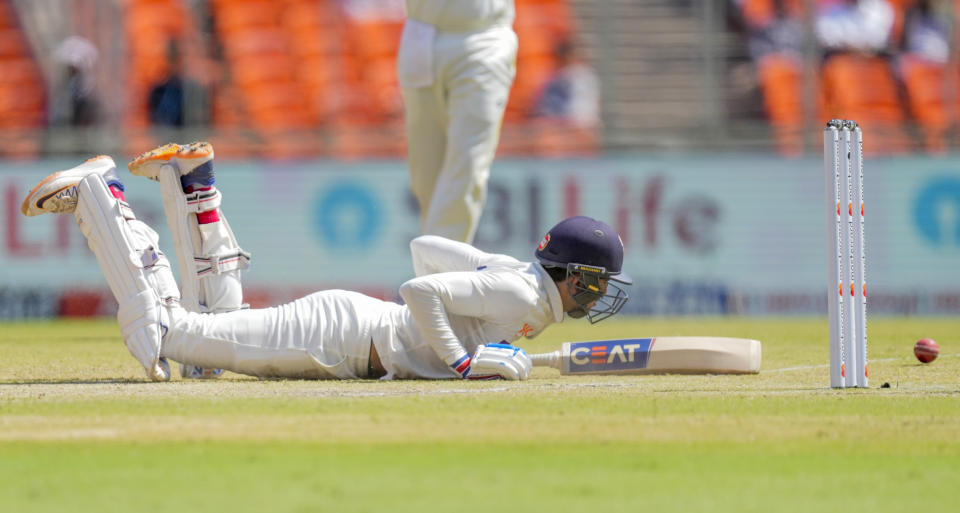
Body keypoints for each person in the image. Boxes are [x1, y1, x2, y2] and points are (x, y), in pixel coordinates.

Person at [21, 142, 632, 382]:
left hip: (350, 330)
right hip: (342, 341)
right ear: (573, 276)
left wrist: (474, 310)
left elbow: (427, 248)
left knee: (206, 343)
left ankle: (193, 184)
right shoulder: (525, 298)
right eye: (596, 284)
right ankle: (101, 196)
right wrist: (464, 359)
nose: (599, 297)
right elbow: (419, 287)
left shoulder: (515, 278)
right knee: (170, 334)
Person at [323, 0, 559, 244]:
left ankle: (439, 280)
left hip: (483, 40)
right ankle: (438, 275)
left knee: (468, 168)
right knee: (427, 178)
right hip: (422, 39)